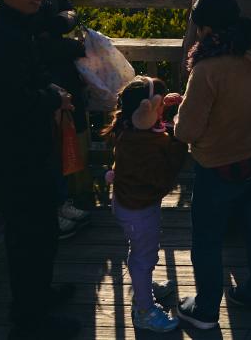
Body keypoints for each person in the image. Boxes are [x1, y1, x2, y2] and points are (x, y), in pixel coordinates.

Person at [0, 0, 79, 340]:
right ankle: (30, 319)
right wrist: (53, 96)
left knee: (39, 231)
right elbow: (12, 100)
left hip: (19, 149)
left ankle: (39, 298)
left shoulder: (6, 23)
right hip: (12, 154)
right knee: (30, 236)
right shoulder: (0, 37)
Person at [172, 0, 251, 331]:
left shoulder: (208, 68)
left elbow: (188, 131)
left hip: (223, 163)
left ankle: (206, 309)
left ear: (205, 29)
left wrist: (175, 118)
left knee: (207, 236)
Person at [0, 0, 93, 237]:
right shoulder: (9, 6)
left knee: (57, 143)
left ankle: (60, 203)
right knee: (44, 147)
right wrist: (71, 43)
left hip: (52, 81)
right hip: (40, 87)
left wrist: (65, 20)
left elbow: (63, 12)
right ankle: (52, 212)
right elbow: (36, 43)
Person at [106, 76, 188, 334]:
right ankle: (144, 310)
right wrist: (178, 135)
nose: (162, 110)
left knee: (139, 252)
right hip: (139, 211)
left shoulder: (128, 127)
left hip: (126, 204)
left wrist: (166, 104)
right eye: (160, 106)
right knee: (144, 258)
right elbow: (165, 171)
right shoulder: (146, 144)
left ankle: (144, 285)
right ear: (146, 110)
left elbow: (152, 127)